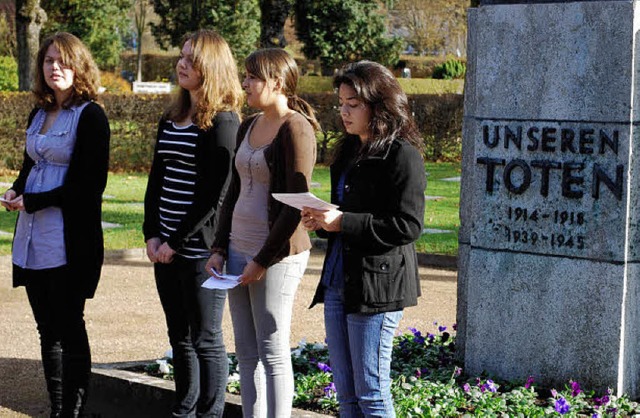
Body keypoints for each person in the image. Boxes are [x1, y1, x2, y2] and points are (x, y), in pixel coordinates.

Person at [303, 61, 427, 417]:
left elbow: (407, 226)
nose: (344, 111)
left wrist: (343, 222)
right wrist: (323, 220)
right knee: (346, 396)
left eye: (353, 104)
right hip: (339, 280)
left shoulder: (402, 155)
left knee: (371, 395)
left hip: (378, 287)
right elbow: (346, 213)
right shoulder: (347, 151)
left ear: (379, 105)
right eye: (341, 102)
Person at [1, 32, 110, 417]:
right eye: (49, 61)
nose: (55, 68)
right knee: (46, 329)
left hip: (67, 240)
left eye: (63, 61)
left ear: (79, 65)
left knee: (68, 326)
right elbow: (31, 165)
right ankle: (57, 407)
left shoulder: (91, 116)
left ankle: (73, 411)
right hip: (31, 238)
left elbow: (88, 187)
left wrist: (34, 200)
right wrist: (16, 191)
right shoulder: (38, 112)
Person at [205, 48, 318, 418]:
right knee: (247, 351)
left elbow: (294, 205)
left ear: (277, 82)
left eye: (253, 77)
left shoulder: (296, 128)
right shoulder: (247, 124)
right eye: (246, 76)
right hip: (237, 249)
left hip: (277, 255)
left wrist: (262, 260)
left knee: (273, 350)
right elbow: (233, 190)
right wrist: (220, 247)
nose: (246, 84)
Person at [143, 30, 242, 417]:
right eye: (181, 56)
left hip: (200, 247)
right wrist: (152, 234)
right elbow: (157, 179)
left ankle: (211, 413)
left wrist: (177, 242)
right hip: (165, 243)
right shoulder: (171, 117)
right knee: (178, 338)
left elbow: (215, 195)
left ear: (212, 66)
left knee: (205, 338)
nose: (182, 63)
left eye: (192, 58)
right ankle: (183, 411)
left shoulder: (224, 122)